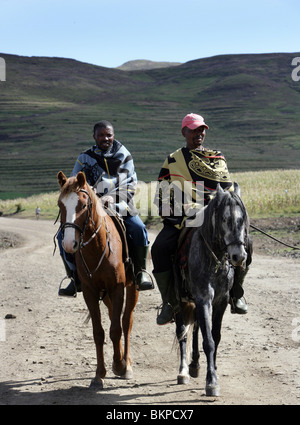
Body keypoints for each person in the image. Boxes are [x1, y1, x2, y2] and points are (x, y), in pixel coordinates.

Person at [151, 113, 252, 325]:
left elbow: (228, 190)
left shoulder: (218, 158)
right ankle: (169, 302)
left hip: (217, 217)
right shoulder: (174, 160)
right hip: (185, 216)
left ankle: (236, 293)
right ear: (184, 132)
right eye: (195, 130)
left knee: (246, 244)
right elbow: (163, 194)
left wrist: (227, 211)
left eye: (202, 129)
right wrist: (182, 210)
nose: (200, 133)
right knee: (159, 248)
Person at [58, 120, 154, 296]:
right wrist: (89, 194)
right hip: (90, 208)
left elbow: (130, 184)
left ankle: (141, 273)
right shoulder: (84, 157)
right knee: (61, 235)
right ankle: (73, 277)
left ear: (113, 135)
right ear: (94, 136)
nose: (105, 138)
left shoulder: (124, 155)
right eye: (101, 135)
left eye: (108, 134)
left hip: (119, 205)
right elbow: (73, 184)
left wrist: (112, 197)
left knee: (139, 228)